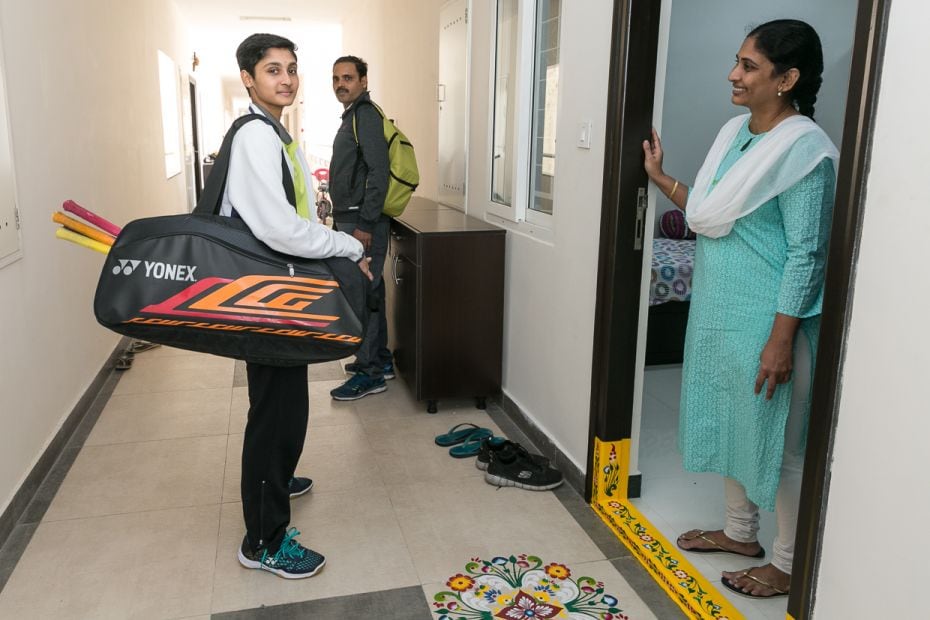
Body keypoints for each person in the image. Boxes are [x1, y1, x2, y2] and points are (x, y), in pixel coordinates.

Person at [642, 20, 838, 599]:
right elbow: (709, 210)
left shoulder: (805, 153)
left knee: (781, 441)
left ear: (788, 79)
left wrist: (781, 339)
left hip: (768, 322)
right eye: (737, 61)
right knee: (733, 421)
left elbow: (808, 253)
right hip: (718, 315)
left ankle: (787, 561)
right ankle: (739, 533)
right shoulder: (735, 134)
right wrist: (659, 178)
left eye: (749, 66)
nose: (733, 73)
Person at [223, 33, 372, 579]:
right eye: (271, 70)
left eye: (290, 69)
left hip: (276, 292)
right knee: (276, 413)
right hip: (265, 298)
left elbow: (297, 216)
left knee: (283, 405)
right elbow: (280, 228)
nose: (285, 79)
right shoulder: (256, 138)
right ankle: (263, 541)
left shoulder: (274, 134)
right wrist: (348, 245)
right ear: (248, 78)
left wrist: (326, 244)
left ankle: (278, 479)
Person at [327, 55, 395, 401]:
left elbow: (378, 172)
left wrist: (366, 224)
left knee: (362, 291)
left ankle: (370, 373)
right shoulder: (353, 115)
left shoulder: (365, 116)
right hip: (352, 217)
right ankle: (379, 360)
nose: (342, 84)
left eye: (349, 78)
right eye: (337, 78)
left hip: (361, 221)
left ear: (364, 81)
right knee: (372, 291)